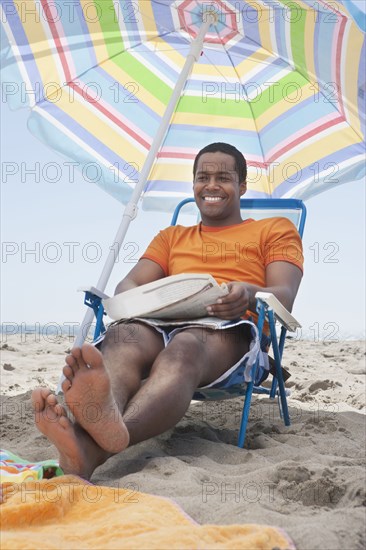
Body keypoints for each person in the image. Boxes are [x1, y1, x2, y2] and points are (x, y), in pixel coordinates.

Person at [32, 143, 303, 480]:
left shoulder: (274, 230)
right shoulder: (171, 237)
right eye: (203, 177)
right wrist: (155, 303)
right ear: (193, 185)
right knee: (121, 337)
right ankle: (97, 429)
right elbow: (127, 286)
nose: (212, 185)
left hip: (229, 327)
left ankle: (92, 446)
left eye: (224, 177)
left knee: (186, 347)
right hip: (162, 322)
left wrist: (247, 294)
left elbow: (284, 295)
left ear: (242, 186)